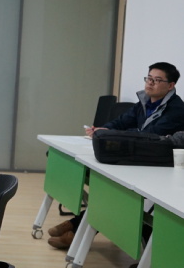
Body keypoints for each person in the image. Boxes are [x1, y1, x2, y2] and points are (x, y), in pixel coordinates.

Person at [48, 62, 184, 249]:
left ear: (171, 85)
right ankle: (75, 226)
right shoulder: (144, 102)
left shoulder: (176, 109)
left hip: (158, 168)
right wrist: (103, 130)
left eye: (157, 80)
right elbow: (121, 121)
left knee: (115, 194)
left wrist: (112, 134)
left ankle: (75, 228)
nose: (150, 83)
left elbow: (149, 135)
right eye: (149, 78)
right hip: (137, 160)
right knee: (110, 189)